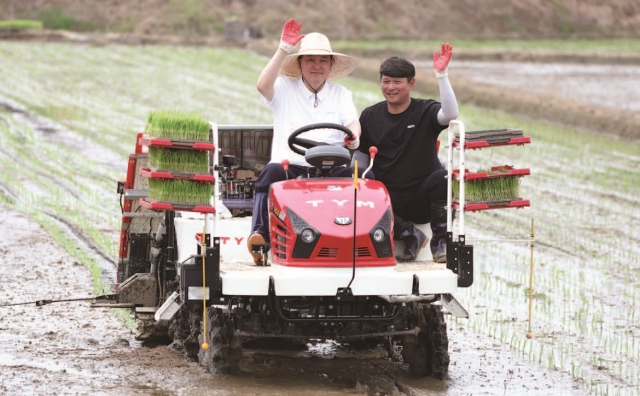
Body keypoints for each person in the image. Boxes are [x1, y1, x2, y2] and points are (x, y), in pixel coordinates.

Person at [248, 18, 365, 265]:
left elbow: (353, 124)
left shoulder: (341, 94)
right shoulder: (283, 87)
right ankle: (260, 237)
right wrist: (283, 48)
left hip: (334, 168)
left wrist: (353, 137)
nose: (316, 66)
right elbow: (262, 85)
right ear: (299, 62)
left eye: (323, 60)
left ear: (331, 65)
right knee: (270, 172)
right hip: (293, 167)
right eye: (310, 59)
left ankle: (367, 240)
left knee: (366, 178)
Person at [356, 44, 459, 263]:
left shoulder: (425, 110)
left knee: (443, 177)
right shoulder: (369, 116)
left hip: (421, 196)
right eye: (386, 81)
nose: (390, 87)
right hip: (389, 199)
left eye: (397, 82)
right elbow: (361, 161)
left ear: (411, 84)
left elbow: (450, 115)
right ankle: (410, 235)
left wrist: (442, 74)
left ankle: (441, 243)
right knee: (360, 183)